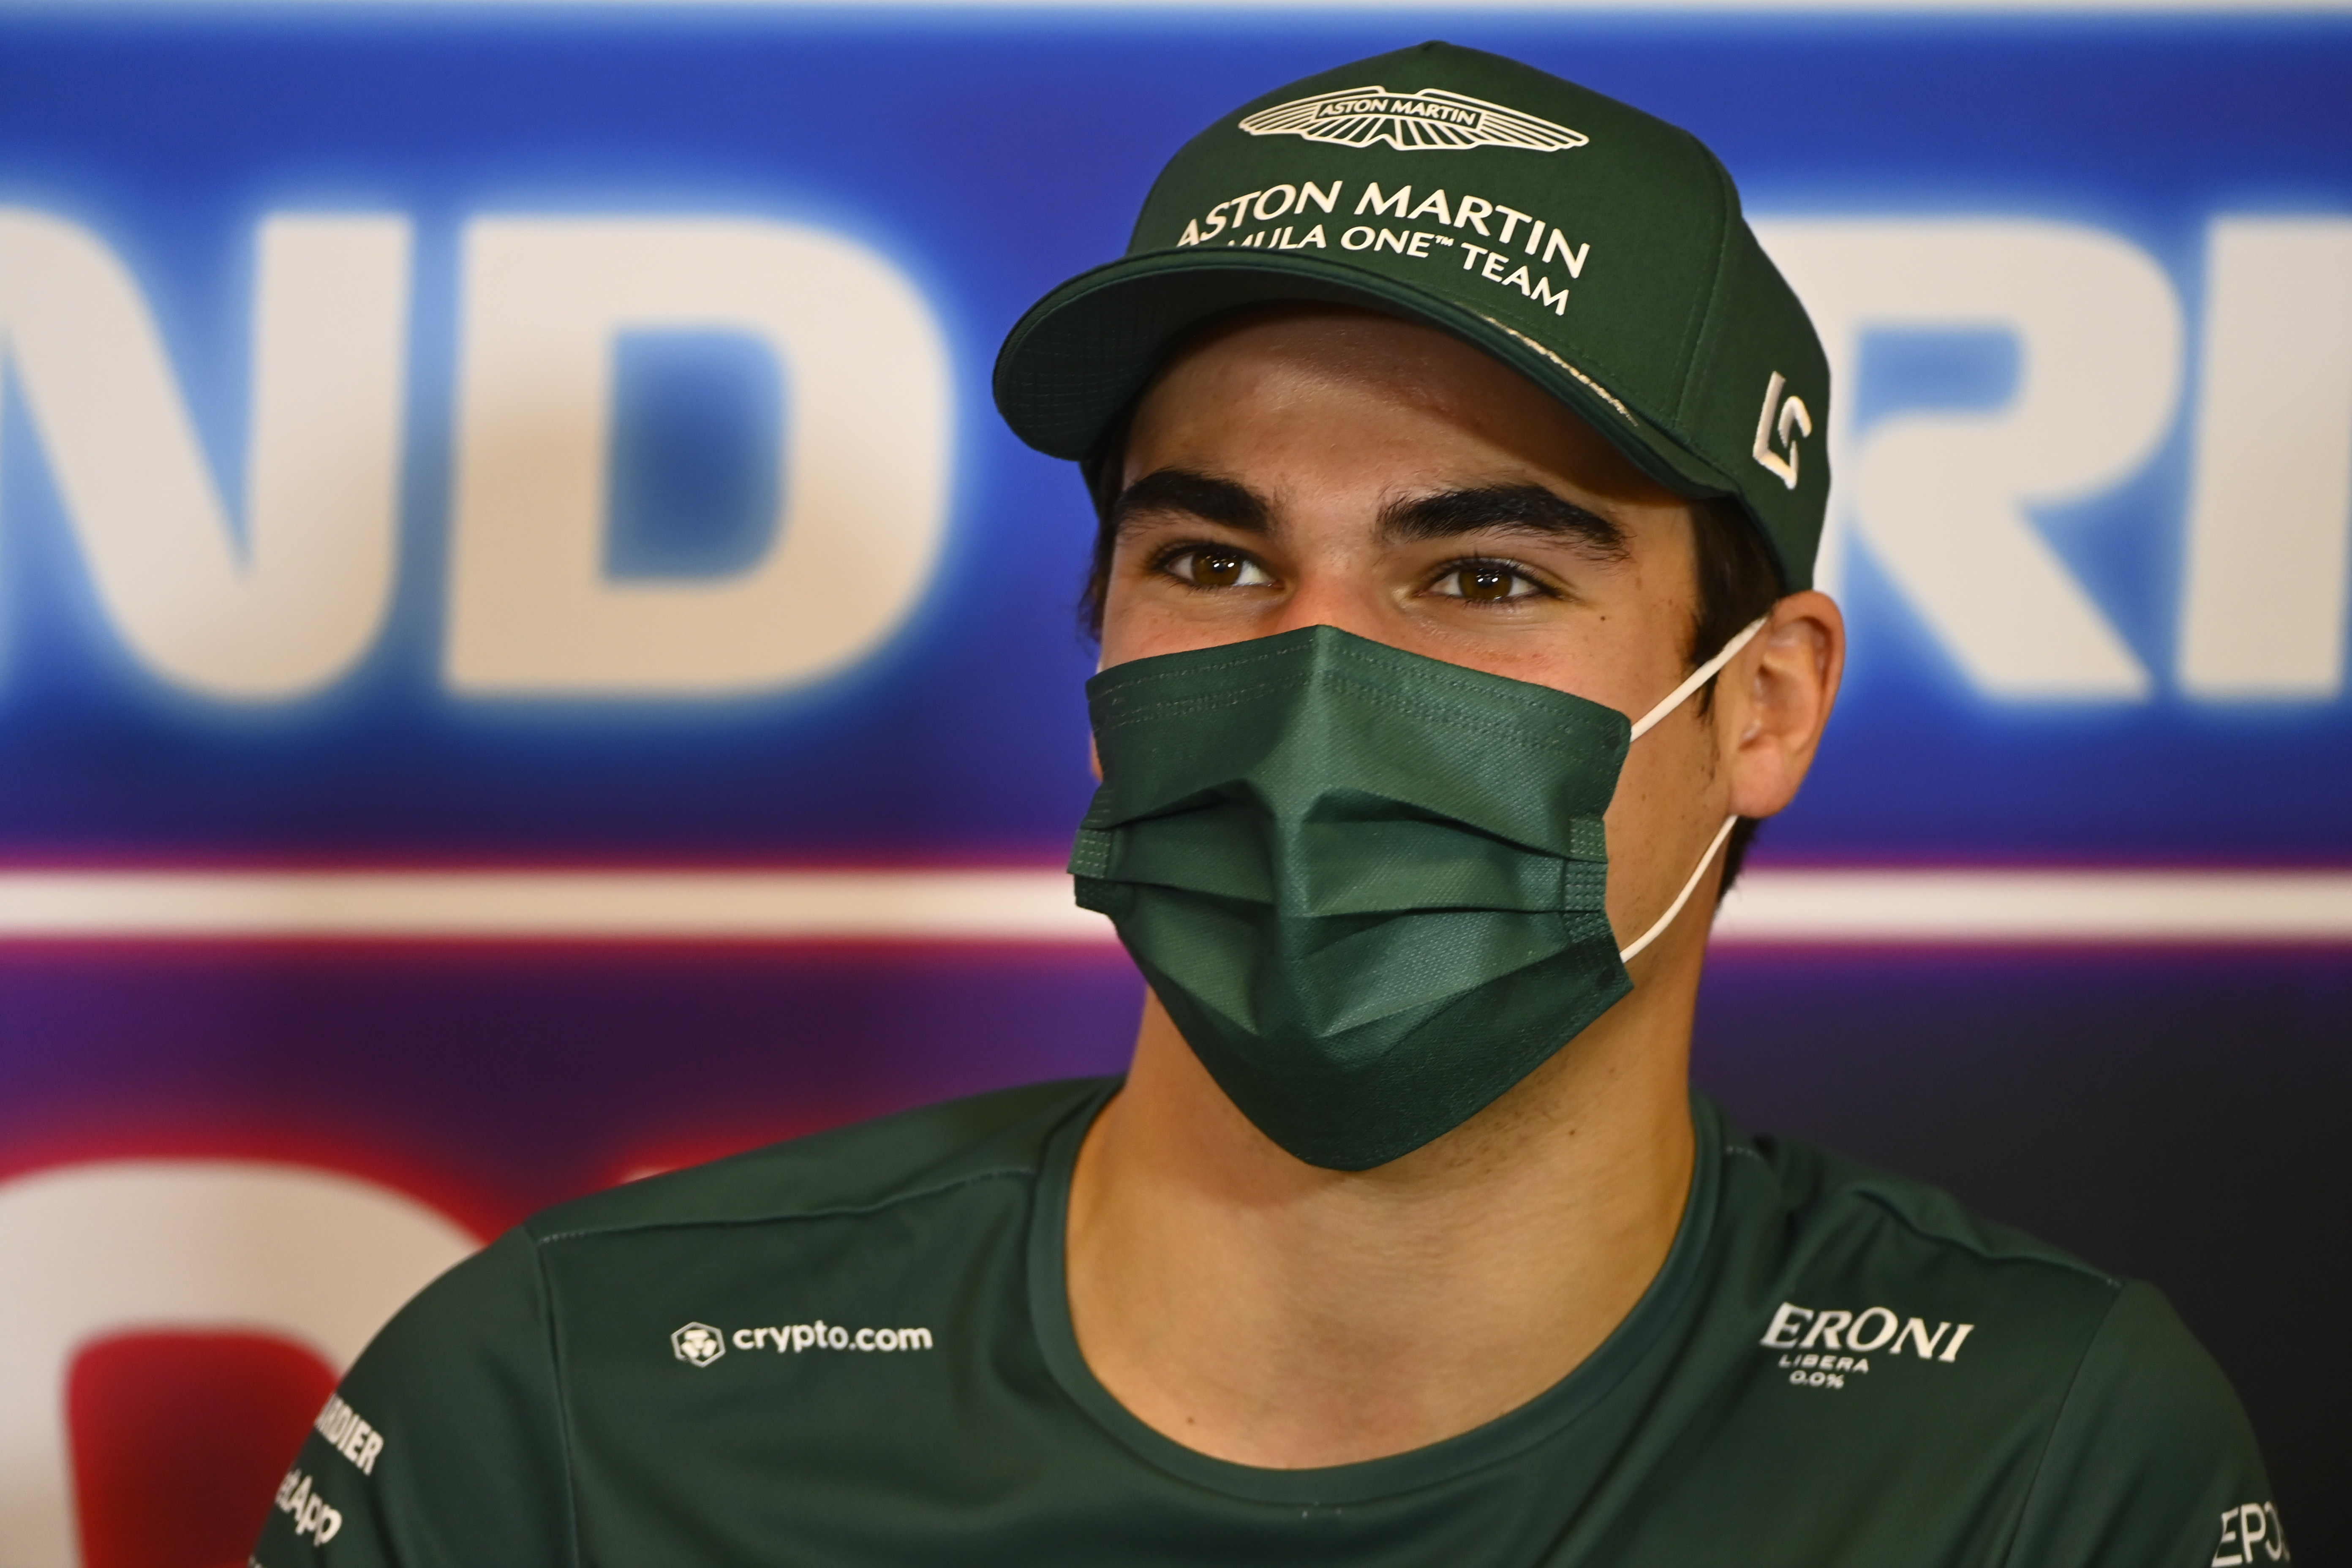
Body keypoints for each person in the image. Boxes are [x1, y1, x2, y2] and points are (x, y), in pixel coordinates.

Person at [253, 41, 2283, 1568]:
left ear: (1762, 706)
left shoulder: (2034, 1462)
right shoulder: (573, 1406)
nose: (1313, 679)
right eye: (1213, 559)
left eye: (1483, 574)